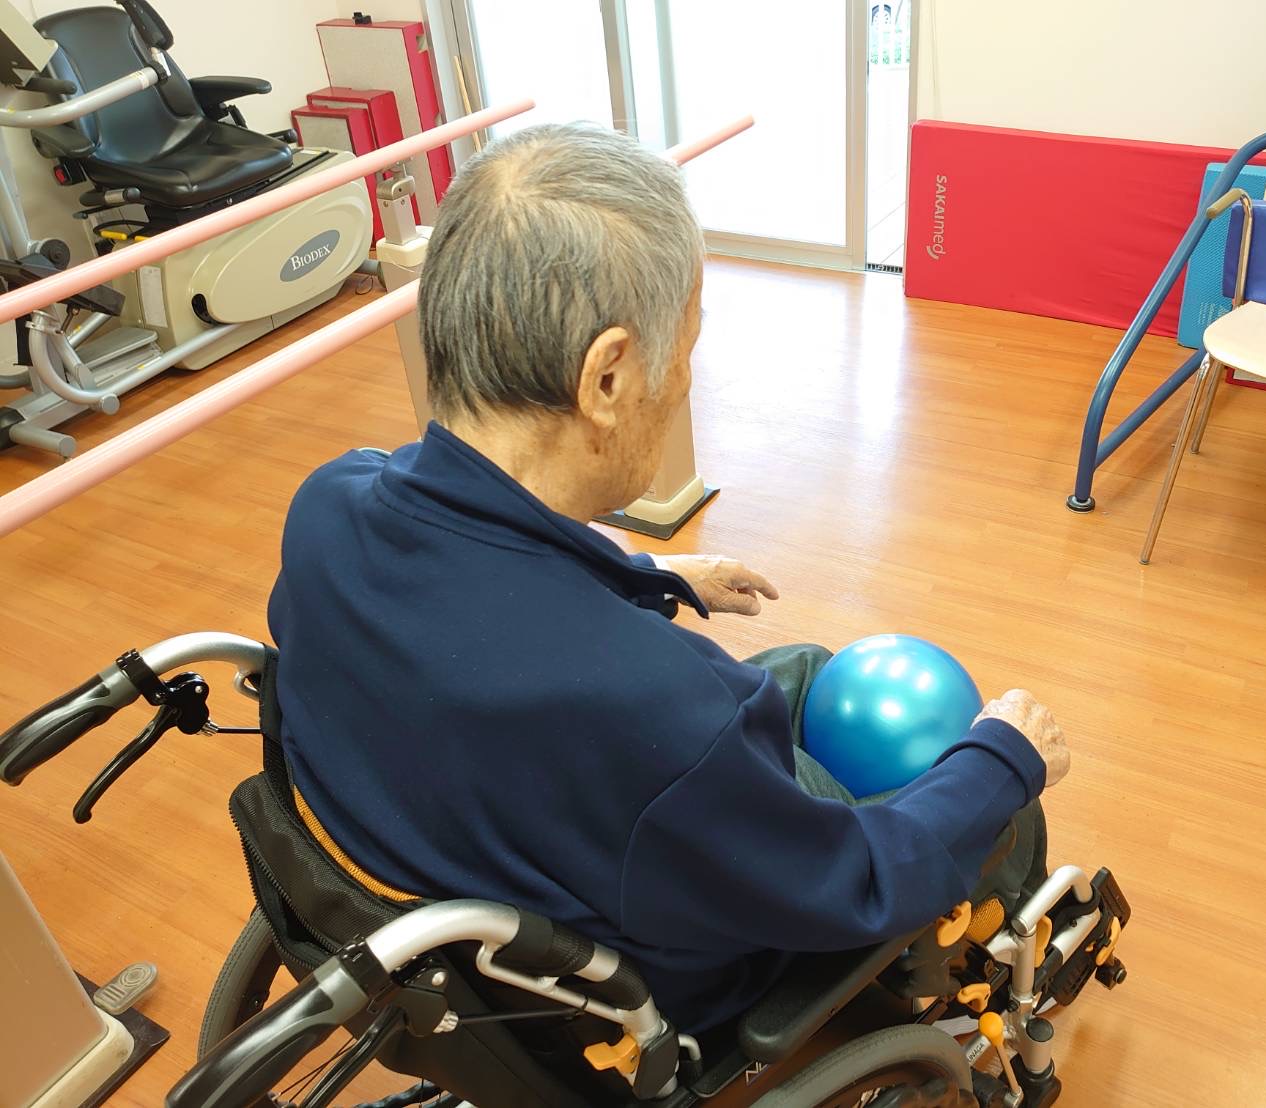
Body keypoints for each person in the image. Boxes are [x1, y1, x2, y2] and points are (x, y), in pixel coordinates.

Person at [267, 122, 1071, 1038]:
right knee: (992, 797)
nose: (685, 378)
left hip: (466, 858)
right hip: (659, 976)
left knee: (806, 668)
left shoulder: (327, 505)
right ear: (607, 377)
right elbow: (855, 878)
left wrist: (647, 572)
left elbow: (476, 577)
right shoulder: (660, 708)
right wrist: (1005, 758)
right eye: (685, 346)